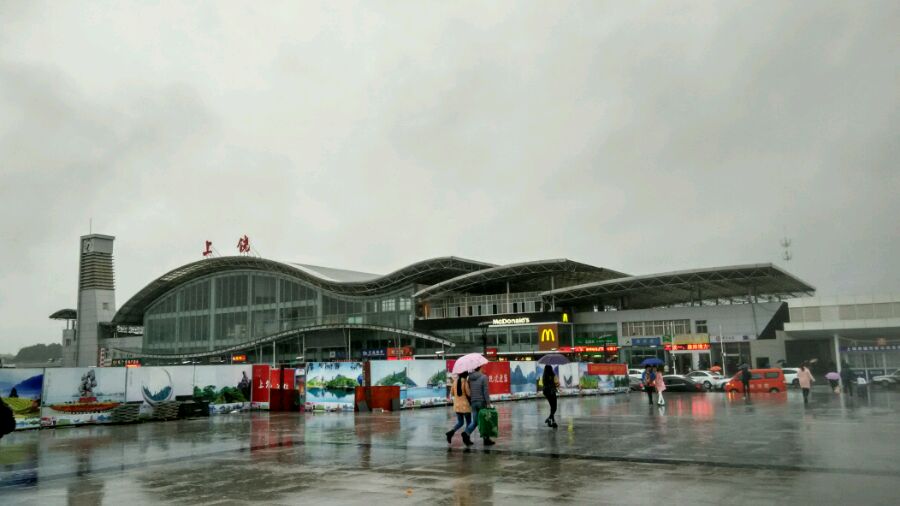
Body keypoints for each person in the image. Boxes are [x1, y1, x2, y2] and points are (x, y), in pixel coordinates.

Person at [464, 366, 495, 446]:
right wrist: (488, 403)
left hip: (473, 402)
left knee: (475, 421)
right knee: (485, 421)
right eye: (482, 367)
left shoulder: (469, 378)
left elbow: (469, 390)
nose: (483, 369)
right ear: (480, 368)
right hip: (482, 402)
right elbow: (485, 391)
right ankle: (486, 439)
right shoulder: (484, 377)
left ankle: (466, 433)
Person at [446, 372, 472, 445]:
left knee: (460, 422)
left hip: (457, 406)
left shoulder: (455, 382)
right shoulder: (465, 381)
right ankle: (467, 439)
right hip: (465, 406)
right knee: (469, 423)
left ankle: (451, 432)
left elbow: (452, 393)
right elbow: (468, 393)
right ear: (465, 375)